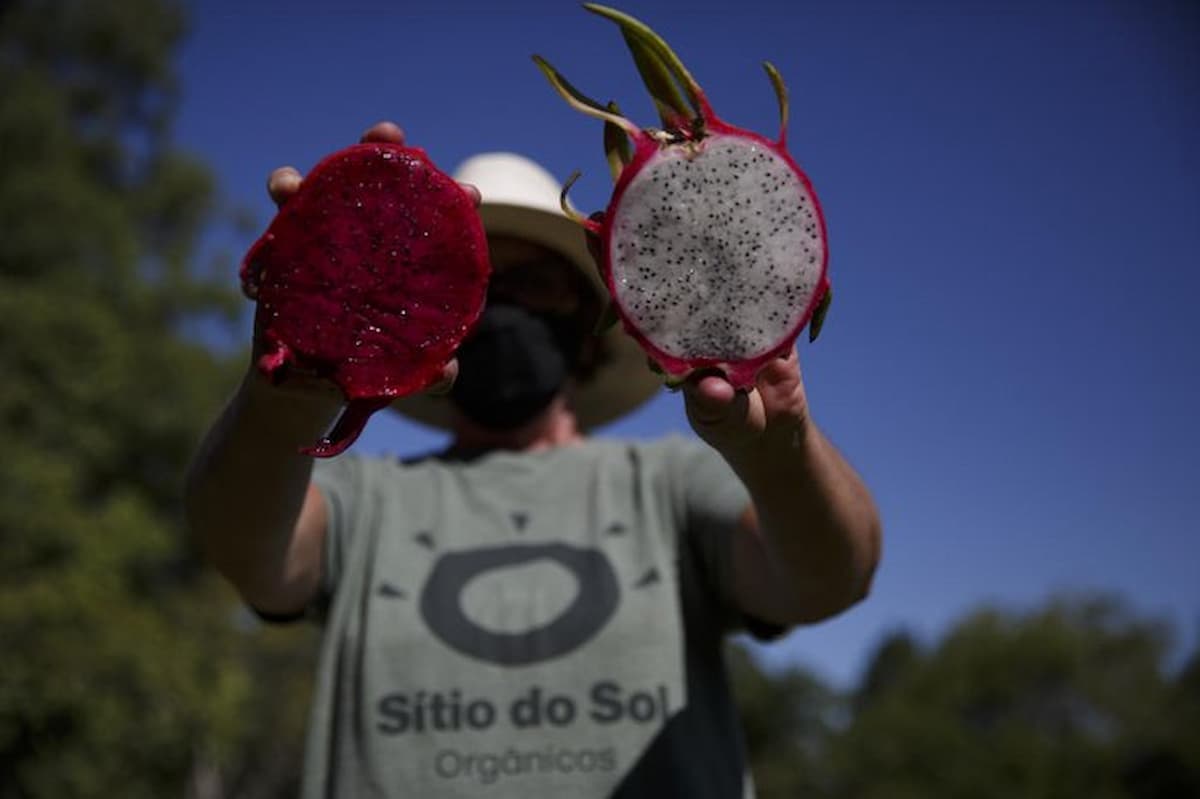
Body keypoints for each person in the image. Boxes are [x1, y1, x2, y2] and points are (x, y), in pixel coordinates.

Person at [185, 121, 881, 798]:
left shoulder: (667, 486)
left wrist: (781, 449)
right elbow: (246, 552)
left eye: (535, 285)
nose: (504, 308)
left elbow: (830, 577)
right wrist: (292, 388)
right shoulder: (365, 501)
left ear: (587, 322)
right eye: (480, 283)